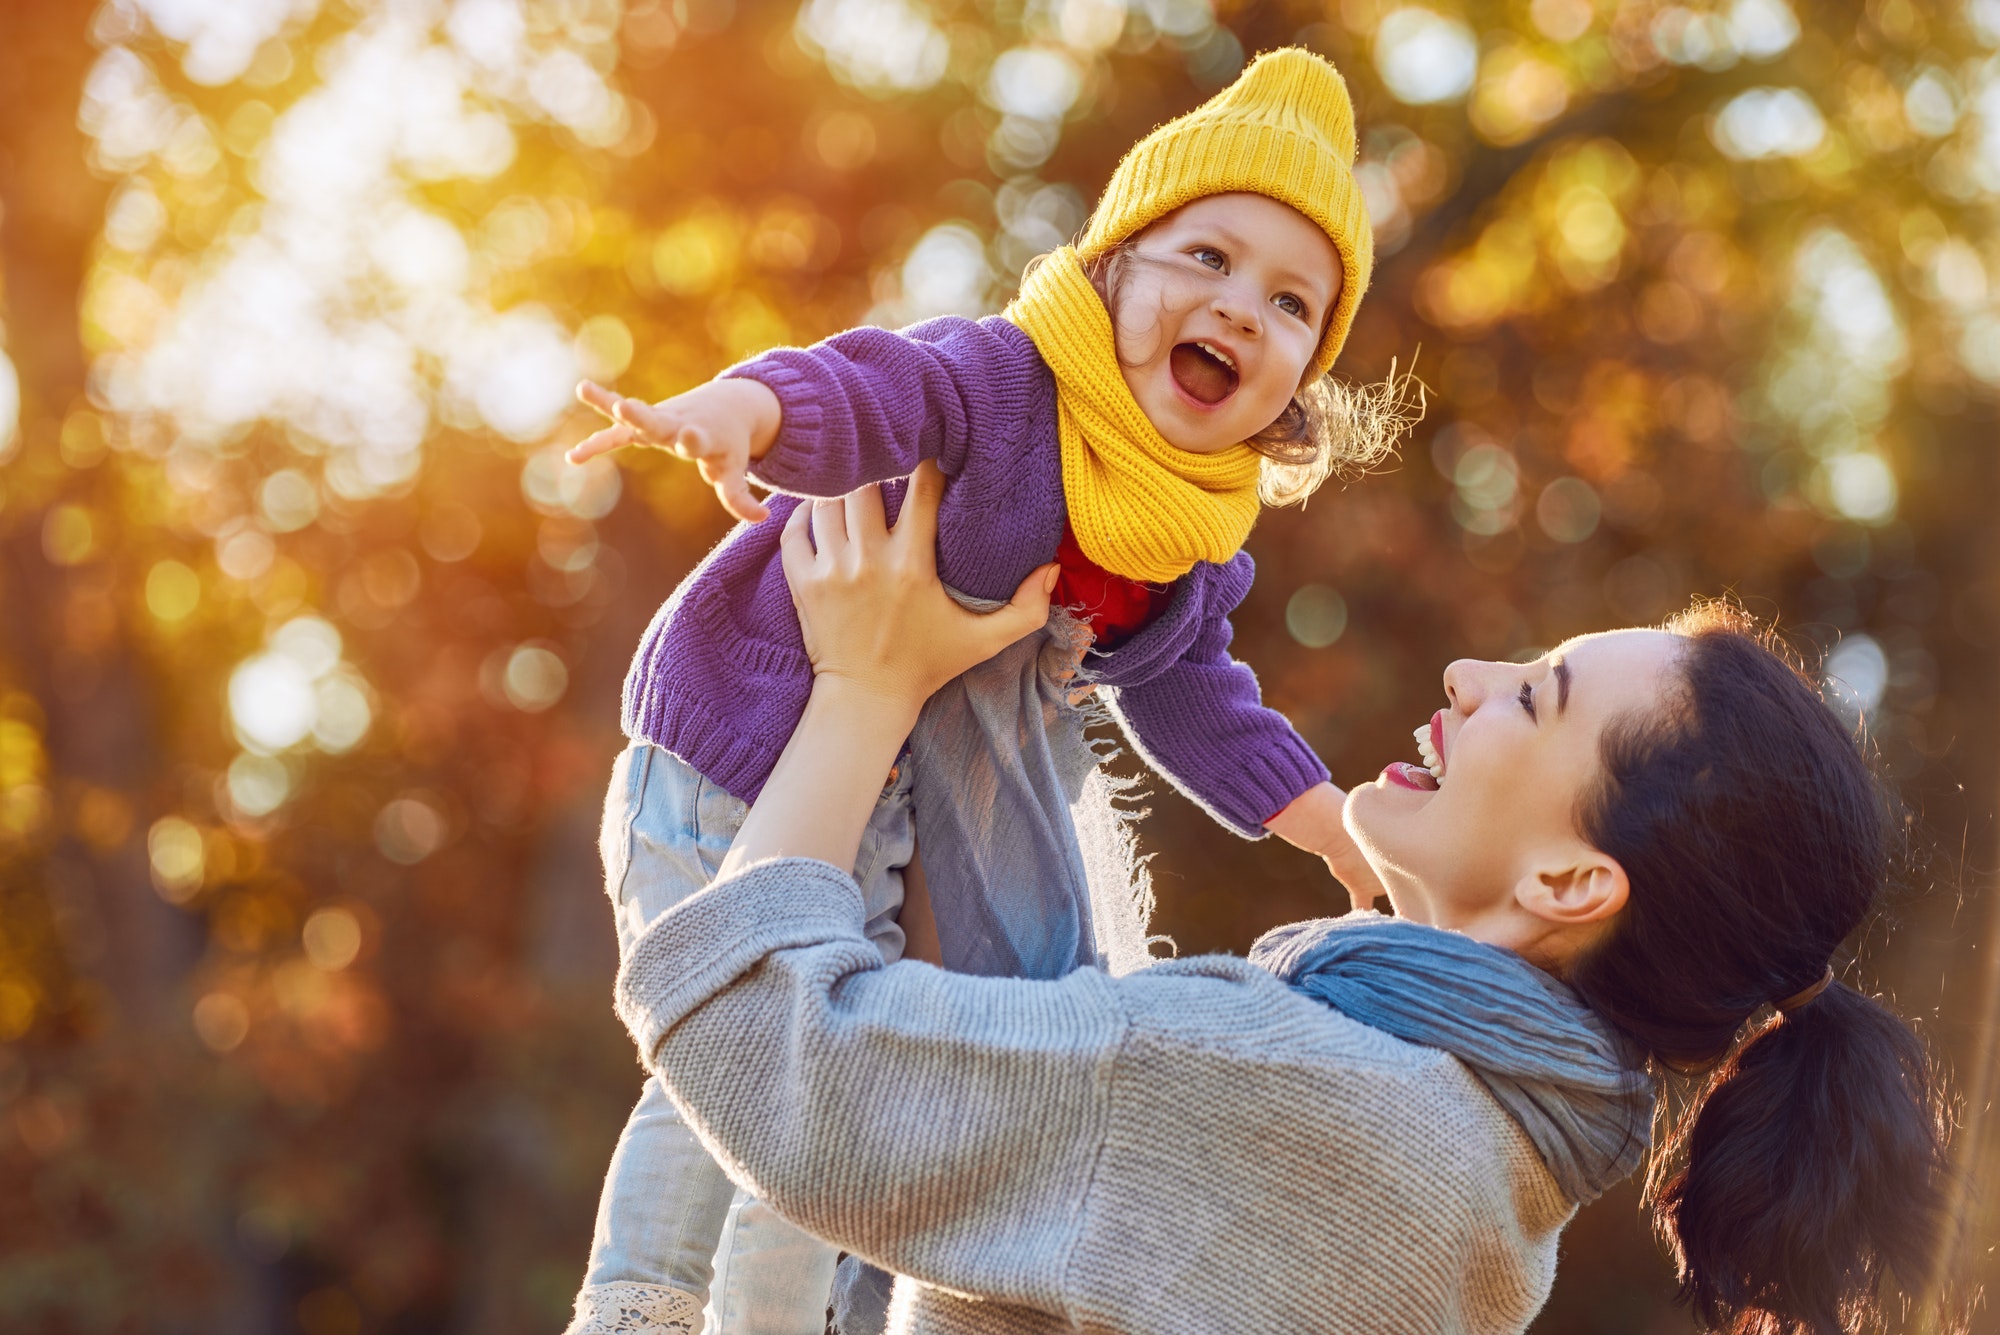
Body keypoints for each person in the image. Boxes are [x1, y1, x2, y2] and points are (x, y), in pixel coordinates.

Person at [612, 466, 1956, 1335]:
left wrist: (862, 686)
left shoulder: (1314, 1096)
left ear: (1569, 880)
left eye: (1533, 694)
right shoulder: (1486, 1170)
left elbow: (757, 1039)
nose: (1470, 670)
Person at [563, 48, 1412, 1334]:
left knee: (827, 1096)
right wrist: (742, 410)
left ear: (1299, 375)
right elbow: (862, 388)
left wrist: (1319, 819)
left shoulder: (1185, 538)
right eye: (1206, 259)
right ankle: (644, 1306)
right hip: (740, 749)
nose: (1242, 307)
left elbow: (1193, 691)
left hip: (886, 806)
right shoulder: (1002, 382)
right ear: (1112, 265)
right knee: (737, 1037)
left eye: (1293, 304)